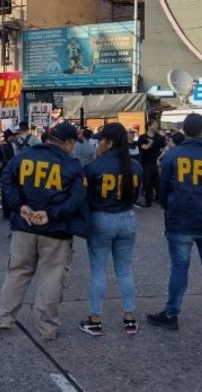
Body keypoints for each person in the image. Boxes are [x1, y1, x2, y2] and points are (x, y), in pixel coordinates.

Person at [0, 123, 87, 340]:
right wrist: (51, 214)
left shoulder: (23, 157)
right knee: (52, 277)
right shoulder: (71, 165)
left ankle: (3, 317)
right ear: (68, 142)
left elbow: (6, 179)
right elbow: (78, 199)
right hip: (56, 230)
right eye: (73, 144)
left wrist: (19, 206)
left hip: (24, 226)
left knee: (17, 272)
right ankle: (47, 327)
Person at [148, 114, 202, 330]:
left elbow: (162, 189)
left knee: (180, 267)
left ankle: (172, 313)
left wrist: (168, 206)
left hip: (180, 219)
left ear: (184, 129)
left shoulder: (173, 155)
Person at [80, 123, 142, 336]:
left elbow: (85, 198)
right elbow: (136, 197)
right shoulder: (134, 166)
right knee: (124, 271)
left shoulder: (94, 167)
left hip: (102, 219)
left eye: (101, 140)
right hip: (127, 218)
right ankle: (130, 318)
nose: (98, 144)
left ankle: (96, 319)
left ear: (109, 142)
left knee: (98, 271)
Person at [138, 120, 167, 207]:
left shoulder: (160, 137)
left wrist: (160, 158)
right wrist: (150, 143)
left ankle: (160, 200)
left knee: (158, 183)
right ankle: (148, 202)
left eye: (157, 125)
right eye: (155, 125)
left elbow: (165, 148)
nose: (157, 126)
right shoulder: (142, 137)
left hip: (157, 164)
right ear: (149, 126)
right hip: (146, 164)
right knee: (148, 183)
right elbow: (144, 147)